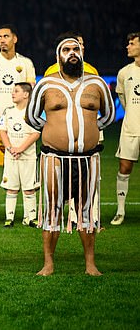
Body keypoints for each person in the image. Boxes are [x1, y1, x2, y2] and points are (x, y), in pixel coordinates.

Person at [26, 37, 115, 276]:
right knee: (51, 209)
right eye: (66, 49)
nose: (72, 53)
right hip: (54, 157)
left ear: (82, 53)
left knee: (86, 209)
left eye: (76, 49)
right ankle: (48, 264)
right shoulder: (45, 84)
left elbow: (108, 116)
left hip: (87, 158)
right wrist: (54, 131)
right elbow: (32, 117)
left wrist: (90, 131)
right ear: (58, 56)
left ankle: (90, 264)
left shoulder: (96, 83)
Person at [0, 24, 36, 226]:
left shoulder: (26, 63)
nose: (2, 40)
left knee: (26, 167)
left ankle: (28, 214)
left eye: (6, 36)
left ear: (15, 39)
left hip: (23, 125)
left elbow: (32, 91)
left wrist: (19, 115)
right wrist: (3, 113)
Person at [0, 82, 40, 228]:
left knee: (29, 188)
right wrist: (10, 148)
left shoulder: (32, 113)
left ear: (26, 94)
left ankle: (31, 218)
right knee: (11, 187)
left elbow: (36, 133)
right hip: (11, 156)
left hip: (28, 157)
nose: (12, 93)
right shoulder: (8, 111)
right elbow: (2, 130)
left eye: (16, 91)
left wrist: (21, 148)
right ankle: (9, 218)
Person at [111, 31, 140, 225]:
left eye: (132, 43)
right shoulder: (124, 72)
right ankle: (120, 211)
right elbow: (123, 100)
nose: (127, 46)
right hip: (131, 127)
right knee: (124, 168)